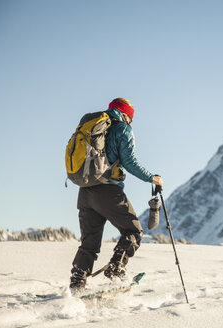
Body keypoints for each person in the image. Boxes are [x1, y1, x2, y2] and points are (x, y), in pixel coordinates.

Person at [69, 97, 163, 292]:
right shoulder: (123, 128)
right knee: (133, 231)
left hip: (85, 191)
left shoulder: (95, 127)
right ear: (128, 115)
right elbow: (129, 162)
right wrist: (151, 178)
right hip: (108, 190)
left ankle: (77, 284)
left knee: (89, 243)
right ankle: (116, 268)